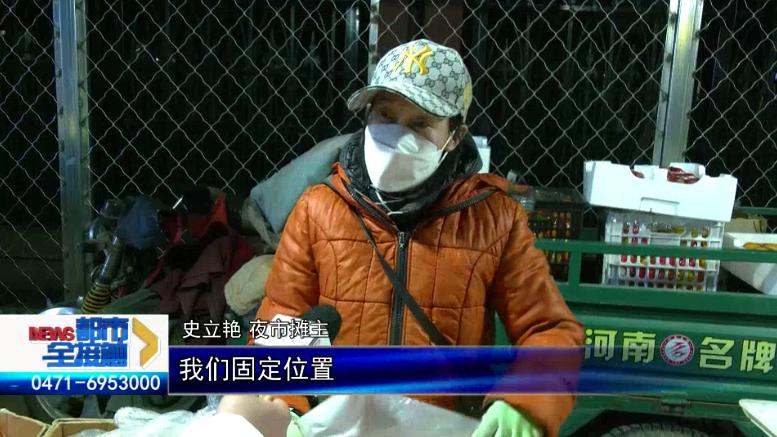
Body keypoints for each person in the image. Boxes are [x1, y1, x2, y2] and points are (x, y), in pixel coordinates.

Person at [254, 39, 584, 437]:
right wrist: (284, 408)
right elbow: (280, 324)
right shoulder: (318, 209)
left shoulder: (493, 219)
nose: (397, 136)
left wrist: (526, 401)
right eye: (386, 115)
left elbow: (549, 330)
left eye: (420, 124)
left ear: (455, 135)